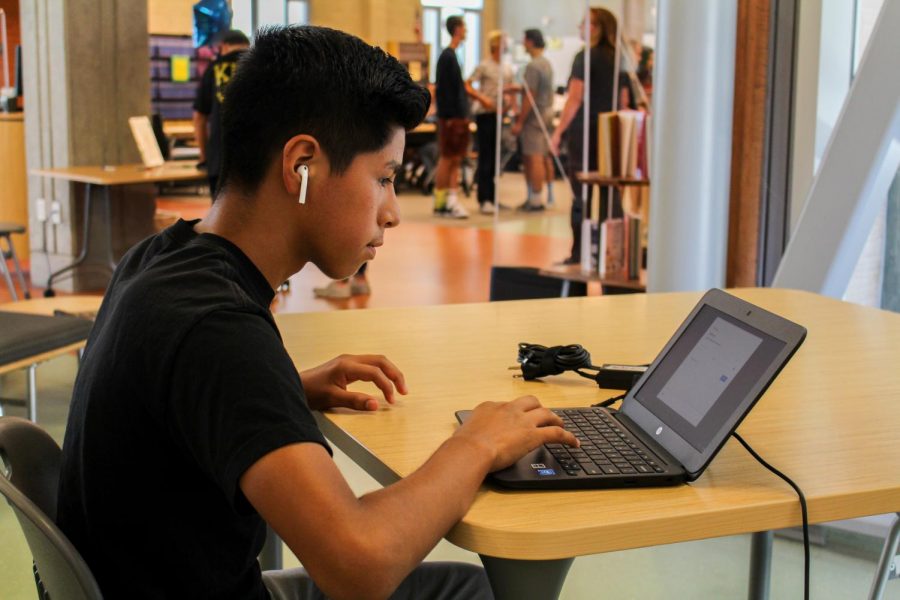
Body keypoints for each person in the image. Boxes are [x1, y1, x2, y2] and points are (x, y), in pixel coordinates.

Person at [57, 25, 577, 599]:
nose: (393, 213)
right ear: (301, 164)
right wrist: (477, 443)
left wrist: (283, 389)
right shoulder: (219, 330)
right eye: (383, 178)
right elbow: (360, 566)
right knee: (475, 592)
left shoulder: (161, 258)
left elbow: (167, 397)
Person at [550, 8, 630, 265]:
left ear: (595, 28)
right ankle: (610, 253)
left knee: (580, 194)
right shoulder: (618, 58)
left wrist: (558, 131)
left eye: (583, 23)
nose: (579, 28)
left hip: (585, 133)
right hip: (610, 133)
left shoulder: (584, 57)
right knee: (609, 192)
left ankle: (580, 254)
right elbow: (624, 101)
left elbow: (575, 98)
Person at [193, 29, 250, 200]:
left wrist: (205, 157)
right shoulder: (261, 66)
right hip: (255, 161)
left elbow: (199, 118)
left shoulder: (214, 68)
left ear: (223, 46)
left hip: (220, 159)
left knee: (219, 221)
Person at [465, 31, 515, 215]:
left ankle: (493, 197)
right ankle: (484, 198)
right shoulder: (484, 66)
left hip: (500, 116)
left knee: (496, 157)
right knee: (486, 157)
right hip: (485, 115)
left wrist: (509, 103)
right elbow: (468, 84)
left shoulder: (507, 68)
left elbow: (509, 90)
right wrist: (482, 99)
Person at [434, 16, 477, 219]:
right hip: (452, 118)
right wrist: (451, 117)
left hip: (454, 116)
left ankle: (444, 202)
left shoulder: (451, 56)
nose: (466, 30)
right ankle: (447, 202)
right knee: (450, 158)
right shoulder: (448, 57)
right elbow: (444, 90)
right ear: (457, 29)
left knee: (452, 159)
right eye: (465, 27)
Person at [511, 28, 554, 212]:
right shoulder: (546, 64)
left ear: (530, 42)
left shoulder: (533, 66)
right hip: (547, 114)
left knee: (534, 156)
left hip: (534, 118)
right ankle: (535, 196)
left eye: (524, 41)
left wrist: (520, 120)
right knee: (541, 156)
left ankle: (535, 199)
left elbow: (530, 95)